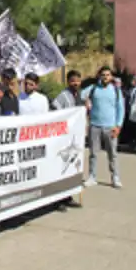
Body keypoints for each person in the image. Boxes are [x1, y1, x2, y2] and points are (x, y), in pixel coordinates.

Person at [82, 66, 125, 189]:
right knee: (93, 153)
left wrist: (118, 126)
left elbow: (120, 109)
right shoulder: (93, 89)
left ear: (111, 77)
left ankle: (115, 177)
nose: (105, 77)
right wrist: (86, 101)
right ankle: (92, 176)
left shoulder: (116, 91)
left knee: (112, 154)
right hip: (95, 125)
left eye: (107, 75)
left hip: (110, 127)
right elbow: (81, 95)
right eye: (103, 75)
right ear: (99, 76)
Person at [51, 70, 83, 212]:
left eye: (77, 80)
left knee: (71, 168)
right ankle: (58, 201)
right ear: (68, 82)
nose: (75, 83)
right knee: (61, 169)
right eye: (72, 81)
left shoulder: (79, 95)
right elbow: (54, 111)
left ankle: (68, 196)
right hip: (63, 139)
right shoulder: (63, 96)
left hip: (75, 138)